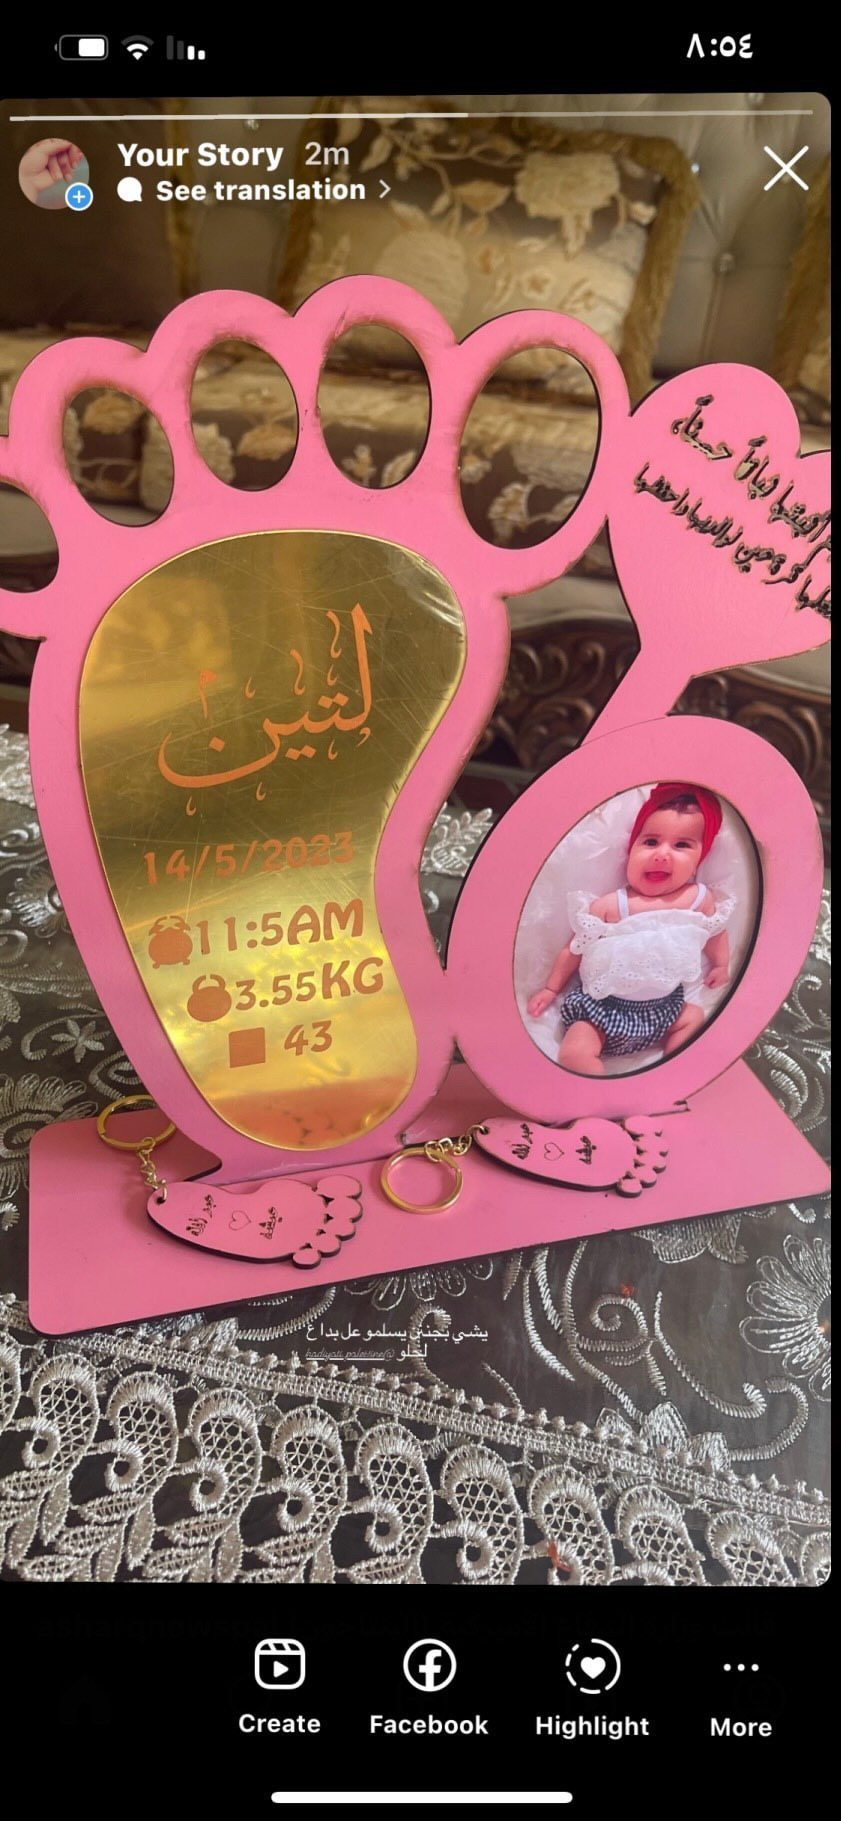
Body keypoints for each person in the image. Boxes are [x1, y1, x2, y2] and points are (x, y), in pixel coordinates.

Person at [527, 783, 732, 1074]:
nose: (662, 855)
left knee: (694, 1018)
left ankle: (669, 1076)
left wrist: (720, 965)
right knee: (574, 1053)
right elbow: (574, 948)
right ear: (632, 848)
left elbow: (715, 932)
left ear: (700, 857)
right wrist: (551, 988)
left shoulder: (699, 899)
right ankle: (596, 1091)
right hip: (602, 1011)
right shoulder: (612, 905)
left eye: (681, 845)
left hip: (665, 1009)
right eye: (651, 842)